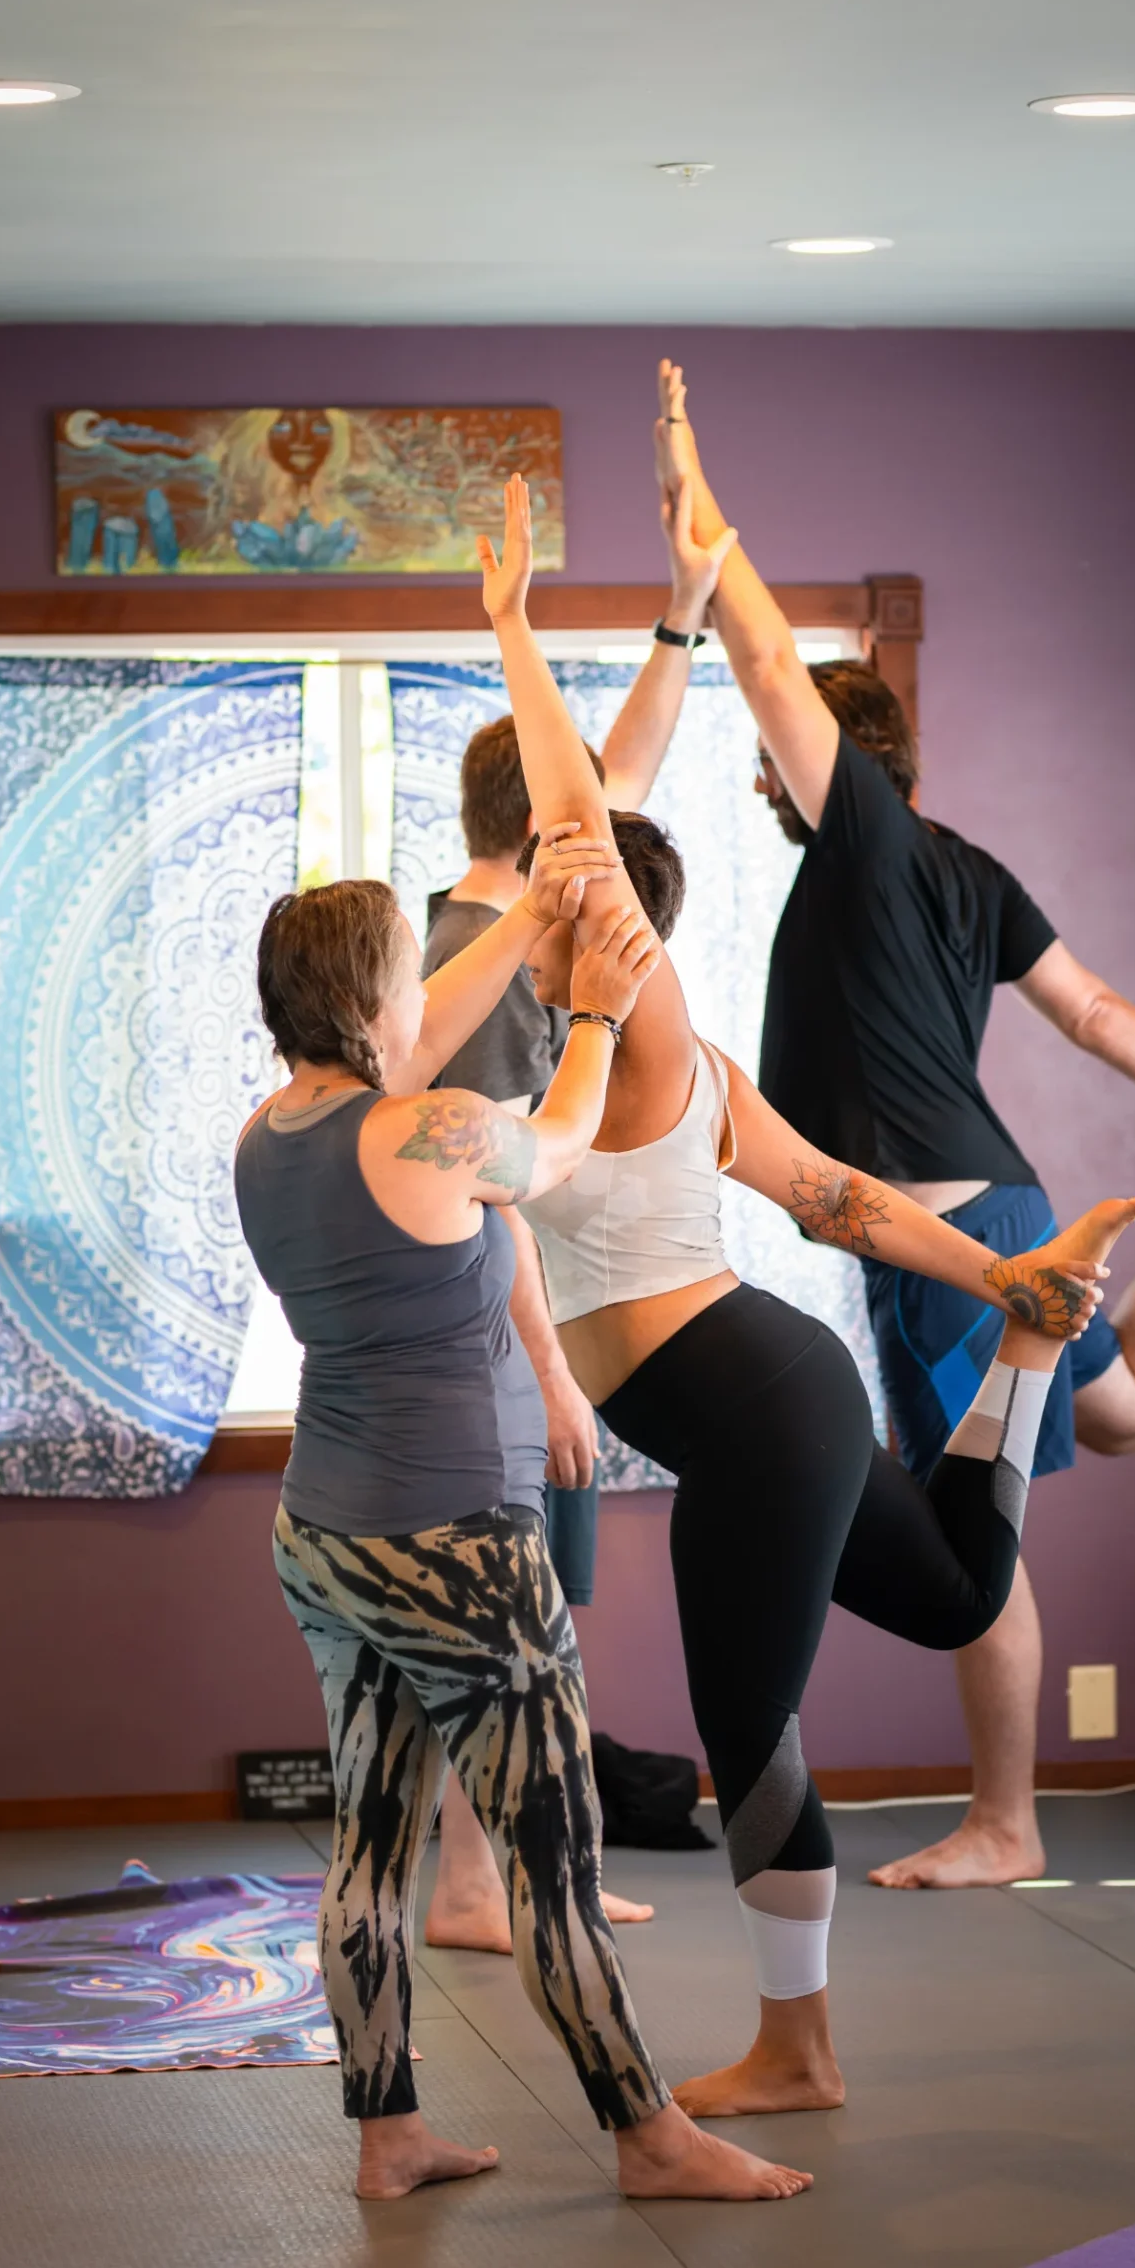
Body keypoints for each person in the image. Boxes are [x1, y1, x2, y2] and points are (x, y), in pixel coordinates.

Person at [477, 471, 1135, 2119]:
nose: (537, 916)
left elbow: (572, 816)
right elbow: (839, 1201)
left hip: (754, 1410)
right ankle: (1013, 1354)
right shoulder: (687, 1067)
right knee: (943, 1592)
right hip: (779, 1388)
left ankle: (797, 2048)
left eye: (564, 903)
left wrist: (508, 628)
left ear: (613, 921)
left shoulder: (637, 1019)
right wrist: (1002, 1269)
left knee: (747, 1726)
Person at [652, 356, 1135, 1891]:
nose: (778, 772)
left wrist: (698, 528)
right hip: (1005, 1202)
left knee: (978, 1531)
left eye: (795, 762)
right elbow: (1095, 1012)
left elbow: (776, 672)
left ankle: (1003, 1820)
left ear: (826, 775)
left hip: (940, 1241)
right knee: (1117, 1415)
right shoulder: (965, 866)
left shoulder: (857, 846)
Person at [234, 827, 810, 2203]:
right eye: (403, 974)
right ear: (369, 1001)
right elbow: (550, 1144)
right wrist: (597, 1013)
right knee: (556, 1856)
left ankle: (388, 2137)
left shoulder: (276, 1134)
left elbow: (428, 1024)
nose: (422, 992)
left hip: (327, 1535)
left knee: (370, 1846)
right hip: (456, 1551)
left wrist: (537, 907)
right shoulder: (429, 1135)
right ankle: (650, 2137)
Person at [420, 483, 739, 1955]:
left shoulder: (499, 915)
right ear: (554, 841)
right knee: (511, 1625)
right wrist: (551, 1377)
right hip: (500, 1344)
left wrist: (681, 611)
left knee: (503, 1620)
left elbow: (628, 757)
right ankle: (495, 1885)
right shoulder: (492, 963)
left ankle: (491, 1881)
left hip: (501, 1347)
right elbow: (492, 1206)